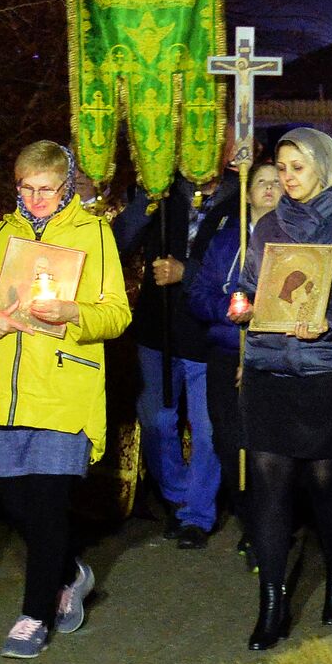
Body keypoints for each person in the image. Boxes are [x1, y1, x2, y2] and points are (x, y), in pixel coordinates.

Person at [0, 141, 130, 659]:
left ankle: (33, 616)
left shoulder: (93, 232)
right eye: (26, 188)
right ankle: (70, 571)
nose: (35, 199)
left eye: (46, 189)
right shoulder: (3, 232)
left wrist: (73, 312)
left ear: (66, 187)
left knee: (50, 506)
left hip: (64, 389)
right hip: (10, 395)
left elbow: (117, 313)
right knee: (16, 505)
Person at [231, 129, 332, 649]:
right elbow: (251, 285)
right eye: (280, 167)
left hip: (327, 372)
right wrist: (243, 301)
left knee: (325, 481)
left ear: (323, 166)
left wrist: (329, 320)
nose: (286, 177)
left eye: (297, 167)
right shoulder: (266, 227)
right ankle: (272, 602)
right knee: (269, 485)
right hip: (269, 371)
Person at [113, 159, 240, 547]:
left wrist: (190, 271)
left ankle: (196, 515)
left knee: (207, 428)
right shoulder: (160, 188)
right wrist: (147, 201)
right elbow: (119, 241)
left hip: (207, 332)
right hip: (158, 328)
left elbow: (243, 260)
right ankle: (178, 494)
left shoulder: (241, 195)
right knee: (155, 418)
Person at [187, 161, 282, 568]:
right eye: (261, 182)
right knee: (230, 444)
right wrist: (228, 309)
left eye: (278, 183)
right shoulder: (226, 241)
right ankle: (249, 521)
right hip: (227, 353)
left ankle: (271, 528)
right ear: (246, 192)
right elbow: (199, 293)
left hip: (274, 356)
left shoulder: (293, 240)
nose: (269, 189)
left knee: (266, 447)